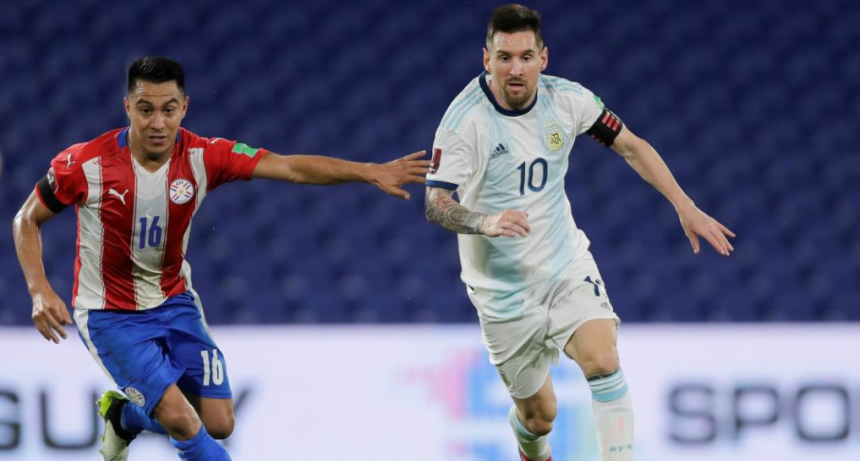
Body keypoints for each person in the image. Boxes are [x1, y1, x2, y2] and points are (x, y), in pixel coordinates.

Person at [12, 56, 429, 461]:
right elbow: (27, 218)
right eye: (145, 109)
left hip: (174, 301)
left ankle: (124, 417)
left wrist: (369, 171)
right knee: (183, 422)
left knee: (219, 422)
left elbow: (289, 167)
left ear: (184, 108)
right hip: (110, 315)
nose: (157, 123)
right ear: (128, 108)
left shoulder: (203, 156)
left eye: (168, 110)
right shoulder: (85, 163)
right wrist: (39, 289)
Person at [424, 5, 735, 461]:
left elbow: (631, 146)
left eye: (526, 57)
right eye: (504, 57)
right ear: (486, 59)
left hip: (563, 265)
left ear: (543, 58)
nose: (516, 69)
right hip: (502, 292)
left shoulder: (568, 100)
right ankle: (531, 446)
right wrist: (483, 222)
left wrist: (685, 206)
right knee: (539, 417)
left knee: (603, 359)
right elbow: (436, 202)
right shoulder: (464, 122)